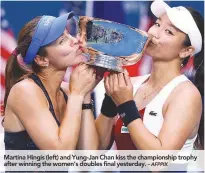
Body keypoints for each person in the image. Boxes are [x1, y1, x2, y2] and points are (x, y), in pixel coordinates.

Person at [96, 0, 204, 169]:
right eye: (157, 24)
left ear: (186, 51)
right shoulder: (131, 85)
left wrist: (125, 105)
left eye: (168, 31)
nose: (155, 33)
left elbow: (158, 163)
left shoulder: (186, 95)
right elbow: (97, 148)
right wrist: (109, 101)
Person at [3, 12, 100, 150]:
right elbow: (60, 156)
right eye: (62, 40)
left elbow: (89, 158)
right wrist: (77, 94)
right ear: (41, 60)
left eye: (68, 34)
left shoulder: (68, 91)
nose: (75, 40)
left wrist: (85, 94)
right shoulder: (25, 91)